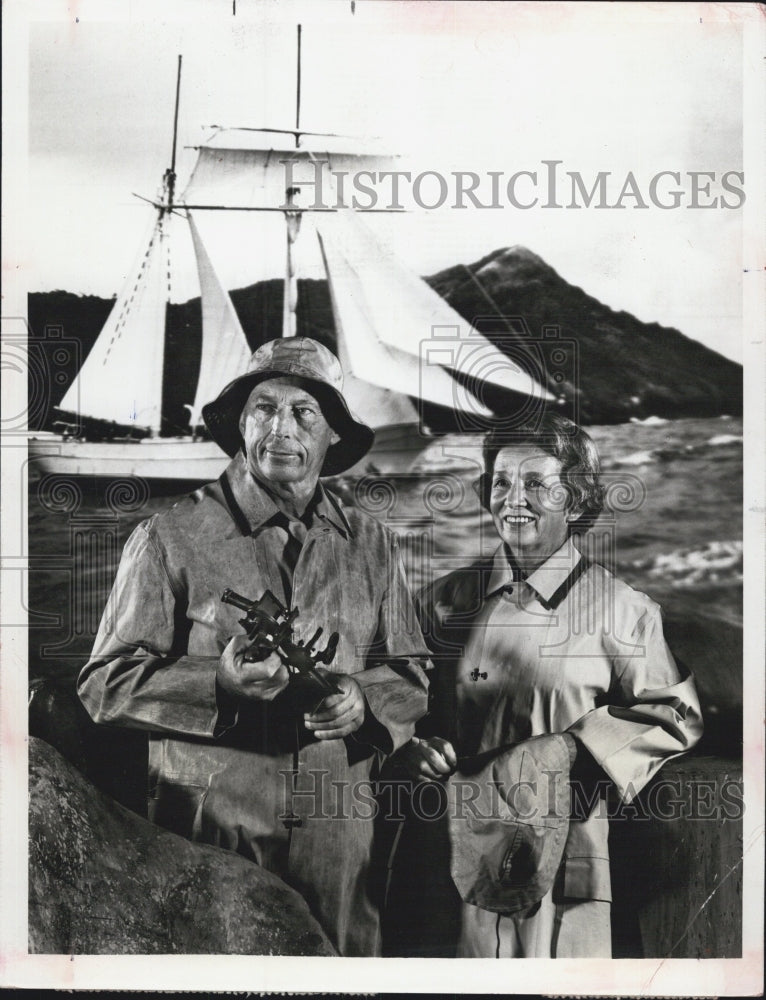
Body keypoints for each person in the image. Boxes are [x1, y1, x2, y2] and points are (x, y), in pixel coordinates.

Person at [78, 337, 430, 957]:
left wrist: (363, 700)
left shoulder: (372, 543)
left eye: (304, 414)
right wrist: (217, 682)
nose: (281, 428)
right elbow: (102, 685)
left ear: (332, 440)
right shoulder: (168, 536)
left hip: (339, 836)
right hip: (208, 833)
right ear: (240, 424)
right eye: (264, 407)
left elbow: (410, 670)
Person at [394, 412, 703, 958]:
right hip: (451, 853)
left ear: (578, 502)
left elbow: (673, 716)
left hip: (564, 866)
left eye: (537, 484)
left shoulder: (623, 611)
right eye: (502, 482)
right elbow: (399, 700)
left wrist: (572, 747)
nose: (514, 498)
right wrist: (410, 747)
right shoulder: (440, 602)